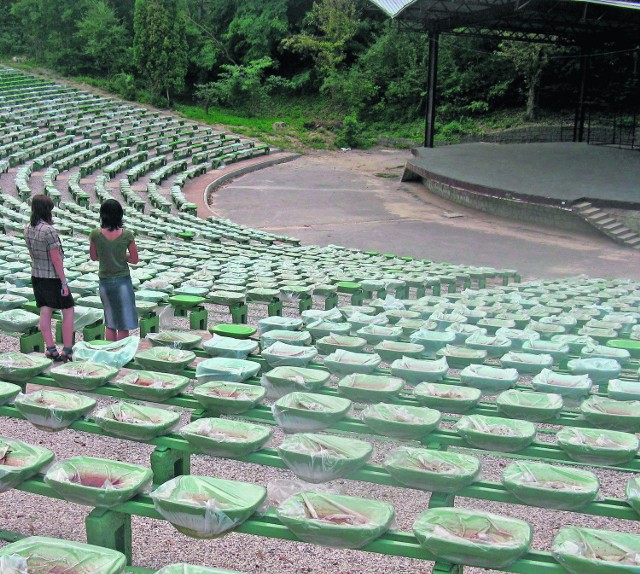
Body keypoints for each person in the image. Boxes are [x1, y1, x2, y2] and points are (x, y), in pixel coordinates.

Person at [24, 194, 75, 362]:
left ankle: (51, 349)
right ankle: (67, 349)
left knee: (45, 310)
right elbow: (56, 259)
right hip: (52, 277)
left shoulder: (27, 228)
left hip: (37, 274)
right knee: (68, 310)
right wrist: (64, 281)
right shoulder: (49, 230)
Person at [89, 199, 139, 341]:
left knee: (110, 320)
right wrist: (123, 256)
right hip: (122, 280)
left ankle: (110, 352)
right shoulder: (127, 235)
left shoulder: (95, 234)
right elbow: (135, 259)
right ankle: (121, 352)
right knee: (123, 322)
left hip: (105, 281)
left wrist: (107, 256)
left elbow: (93, 256)